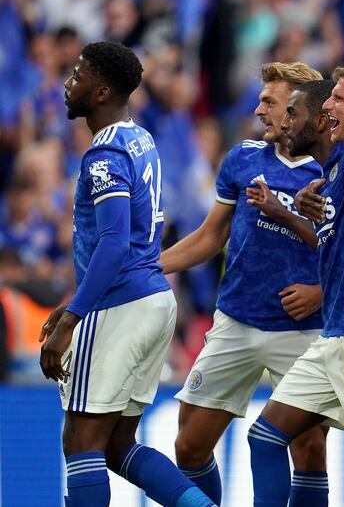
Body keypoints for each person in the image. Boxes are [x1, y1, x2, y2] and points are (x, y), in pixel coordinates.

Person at [38, 41, 214, 507]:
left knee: (81, 441)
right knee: (117, 446)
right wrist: (71, 306)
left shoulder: (104, 156)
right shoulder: (141, 138)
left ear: (101, 92)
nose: (67, 83)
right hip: (153, 301)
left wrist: (72, 320)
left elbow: (115, 242)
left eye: (77, 75)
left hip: (120, 304)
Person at [158, 62, 327, 505]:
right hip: (235, 320)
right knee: (189, 445)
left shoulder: (334, 167)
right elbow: (211, 236)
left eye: (269, 102)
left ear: (299, 108)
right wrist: (150, 267)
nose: (259, 110)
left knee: (309, 449)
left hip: (302, 330)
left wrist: (323, 291)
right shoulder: (243, 159)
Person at [244, 80, 344, 507]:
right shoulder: (328, 175)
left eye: (293, 114)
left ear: (322, 120)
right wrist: (288, 212)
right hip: (333, 334)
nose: (284, 123)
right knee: (264, 436)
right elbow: (334, 243)